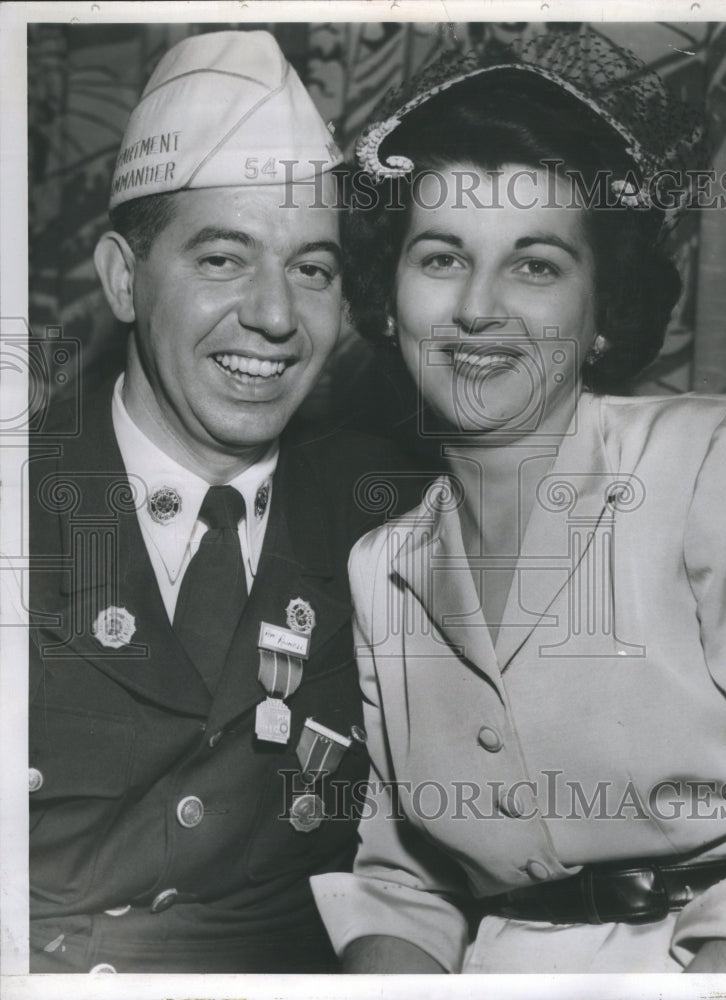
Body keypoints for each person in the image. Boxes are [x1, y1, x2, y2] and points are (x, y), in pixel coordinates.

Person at [311, 29, 726, 974]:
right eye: (441, 257)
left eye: (535, 265)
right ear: (390, 295)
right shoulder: (384, 569)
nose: (478, 308)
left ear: (602, 309)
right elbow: (403, 883)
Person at [27, 30, 428, 974]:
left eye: (313, 269)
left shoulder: (400, 519)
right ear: (124, 277)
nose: (277, 317)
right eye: (221, 259)